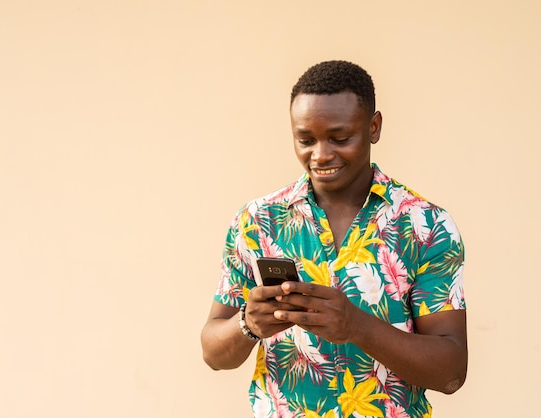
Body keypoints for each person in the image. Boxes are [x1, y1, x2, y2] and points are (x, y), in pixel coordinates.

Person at [200, 60, 467, 418]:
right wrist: (248, 325)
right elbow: (213, 352)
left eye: (340, 138)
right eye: (305, 140)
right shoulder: (256, 221)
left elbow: (451, 372)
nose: (321, 155)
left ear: (374, 127)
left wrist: (357, 327)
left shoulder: (426, 224)